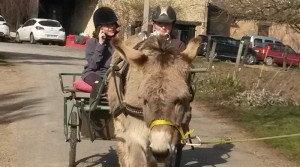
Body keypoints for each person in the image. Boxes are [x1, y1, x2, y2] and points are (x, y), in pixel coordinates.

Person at [81, 6, 119, 105]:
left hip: (111, 74)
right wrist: (100, 45)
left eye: (113, 24)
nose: (112, 27)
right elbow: (93, 65)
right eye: (107, 25)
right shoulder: (92, 42)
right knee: (99, 84)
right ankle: (92, 113)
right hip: (93, 73)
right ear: (100, 28)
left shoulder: (118, 43)